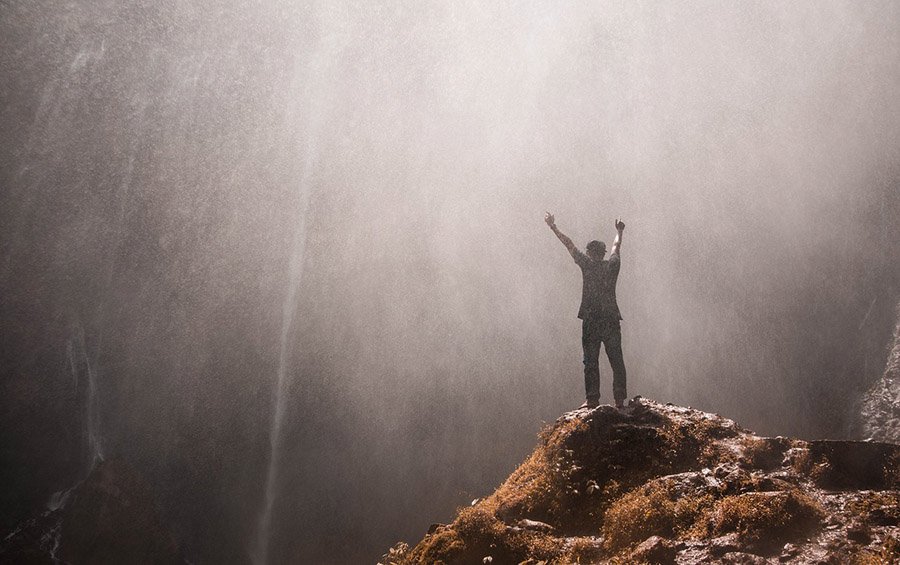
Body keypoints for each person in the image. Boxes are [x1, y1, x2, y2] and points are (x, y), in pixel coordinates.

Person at [545, 212, 627, 409]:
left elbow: (569, 244)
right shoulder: (612, 266)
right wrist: (619, 231)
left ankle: (592, 399)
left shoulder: (587, 265)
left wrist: (554, 227)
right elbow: (617, 246)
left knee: (590, 361)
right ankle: (619, 399)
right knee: (616, 359)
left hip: (591, 319)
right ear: (604, 253)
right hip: (610, 319)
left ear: (590, 253)